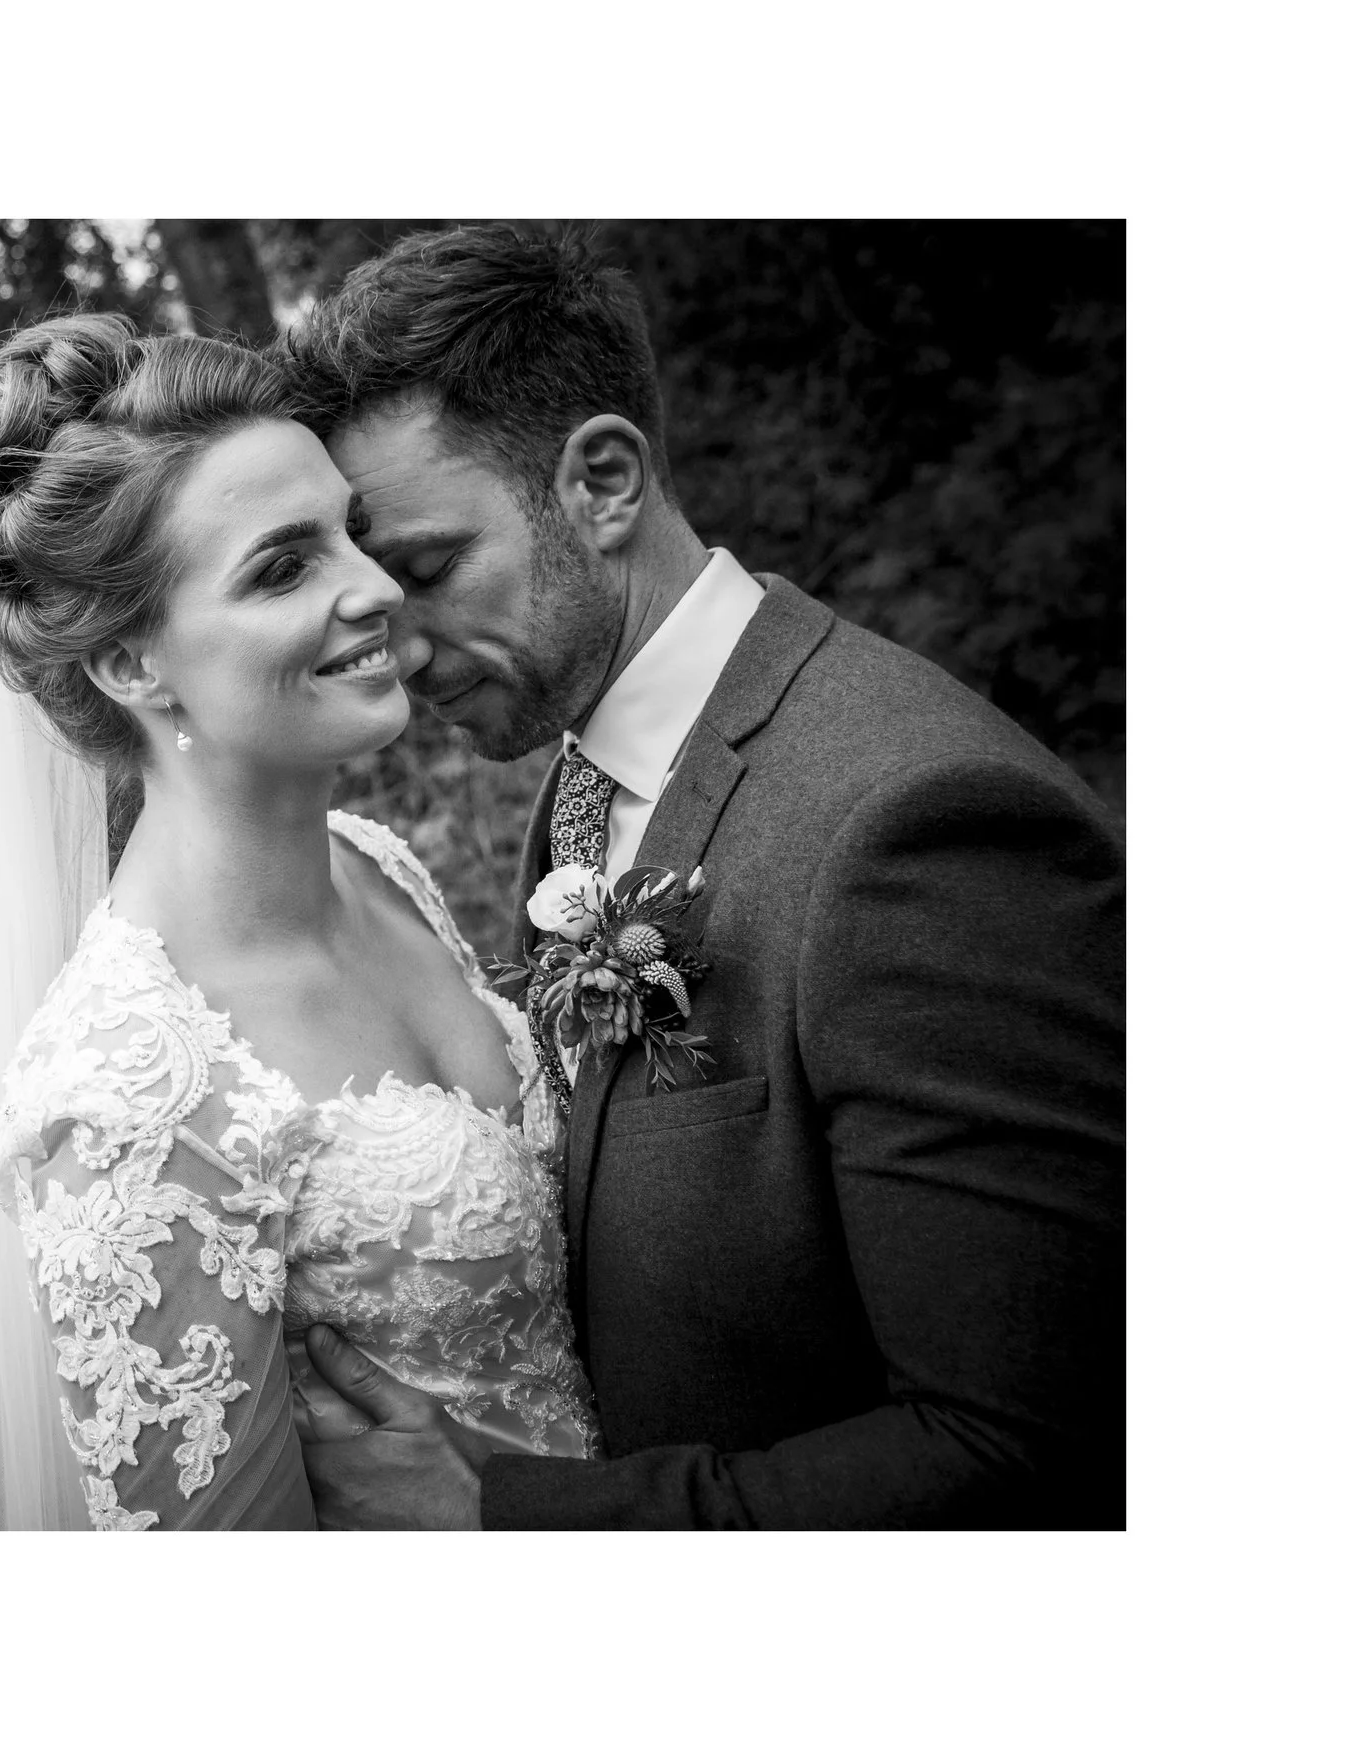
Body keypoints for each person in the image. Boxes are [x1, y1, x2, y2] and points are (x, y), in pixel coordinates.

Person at [276, 224, 1126, 1529]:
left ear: (603, 481)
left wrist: (500, 1517)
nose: (400, 643)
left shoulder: (919, 827)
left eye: (430, 570)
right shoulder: (585, 784)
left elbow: (1027, 1450)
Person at [0, 312, 596, 1529]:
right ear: (131, 664)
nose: (375, 588)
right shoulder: (124, 1097)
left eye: (351, 533)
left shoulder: (372, 865)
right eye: (283, 568)